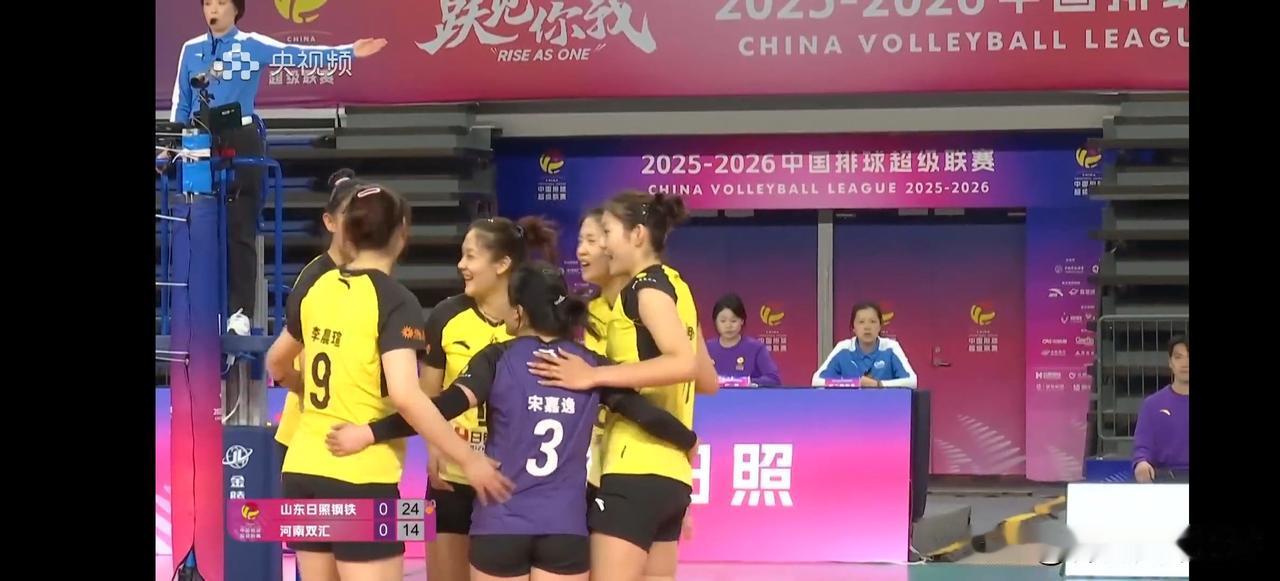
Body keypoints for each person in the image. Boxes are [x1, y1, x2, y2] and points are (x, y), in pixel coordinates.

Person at [327, 262, 701, 581]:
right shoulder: (588, 366)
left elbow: (439, 408)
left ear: (519, 312)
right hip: (564, 531)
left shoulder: (497, 358)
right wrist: (687, 439)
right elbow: (646, 414)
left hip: (500, 526)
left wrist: (369, 433)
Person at [265, 183, 511, 581]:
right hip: (360, 474)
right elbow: (407, 397)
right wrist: (468, 460)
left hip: (302, 468)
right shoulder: (394, 300)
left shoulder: (317, 287)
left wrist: (305, 390)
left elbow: (276, 363)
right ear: (402, 233)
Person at [321, 215, 558, 581]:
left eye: (471, 256)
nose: (461, 265)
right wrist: (433, 449)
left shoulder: (534, 324)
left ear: (502, 264)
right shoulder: (447, 315)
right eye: (461, 255)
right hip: (450, 478)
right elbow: (426, 398)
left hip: (514, 482)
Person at [170, 0, 387, 334]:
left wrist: (349, 52)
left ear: (236, 9)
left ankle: (239, 313)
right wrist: (171, 146)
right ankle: (201, 310)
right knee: (198, 228)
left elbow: (297, 55)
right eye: (207, 3)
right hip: (198, 143)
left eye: (221, 2)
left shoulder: (251, 45)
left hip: (240, 138)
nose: (212, 9)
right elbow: (181, 102)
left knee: (240, 228)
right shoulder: (191, 49)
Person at [527, 191, 706, 581]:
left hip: (632, 466)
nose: (600, 246)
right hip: (672, 474)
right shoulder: (678, 288)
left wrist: (596, 374)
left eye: (604, 234)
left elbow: (683, 363)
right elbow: (706, 378)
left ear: (637, 235)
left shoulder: (642, 290)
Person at [272, 169, 363, 460]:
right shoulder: (315, 279)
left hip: (354, 433)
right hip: (307, 436)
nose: (358, 223)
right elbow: (279, 363)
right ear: (329, 222)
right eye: (349, 214)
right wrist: (305, 388)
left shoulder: (371, 276)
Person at [812, 302, 918, 388]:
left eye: (872, 321)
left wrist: (878, 384)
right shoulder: (843, 348)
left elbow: (912, 381)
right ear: (853, 327)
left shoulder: (891, 347)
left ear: (880, 326)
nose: (867, 327)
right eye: (861, 322)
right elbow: (817, 381)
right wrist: (854, 383)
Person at [1132, 336, 1190, 483]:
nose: (1185, 363)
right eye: (1179, 357)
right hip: (1165, 480)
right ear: (1170, 362)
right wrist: (1141, 462)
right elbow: (1142, 447)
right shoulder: (1152, 405)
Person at [706, 293, 782, 387]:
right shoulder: (706, 349)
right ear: (715, 322)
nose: (728, 325)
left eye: (733, 321)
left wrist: (747, 383)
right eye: (723, 321)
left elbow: (774, 379)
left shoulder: (756, 348)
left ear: (742, 321)